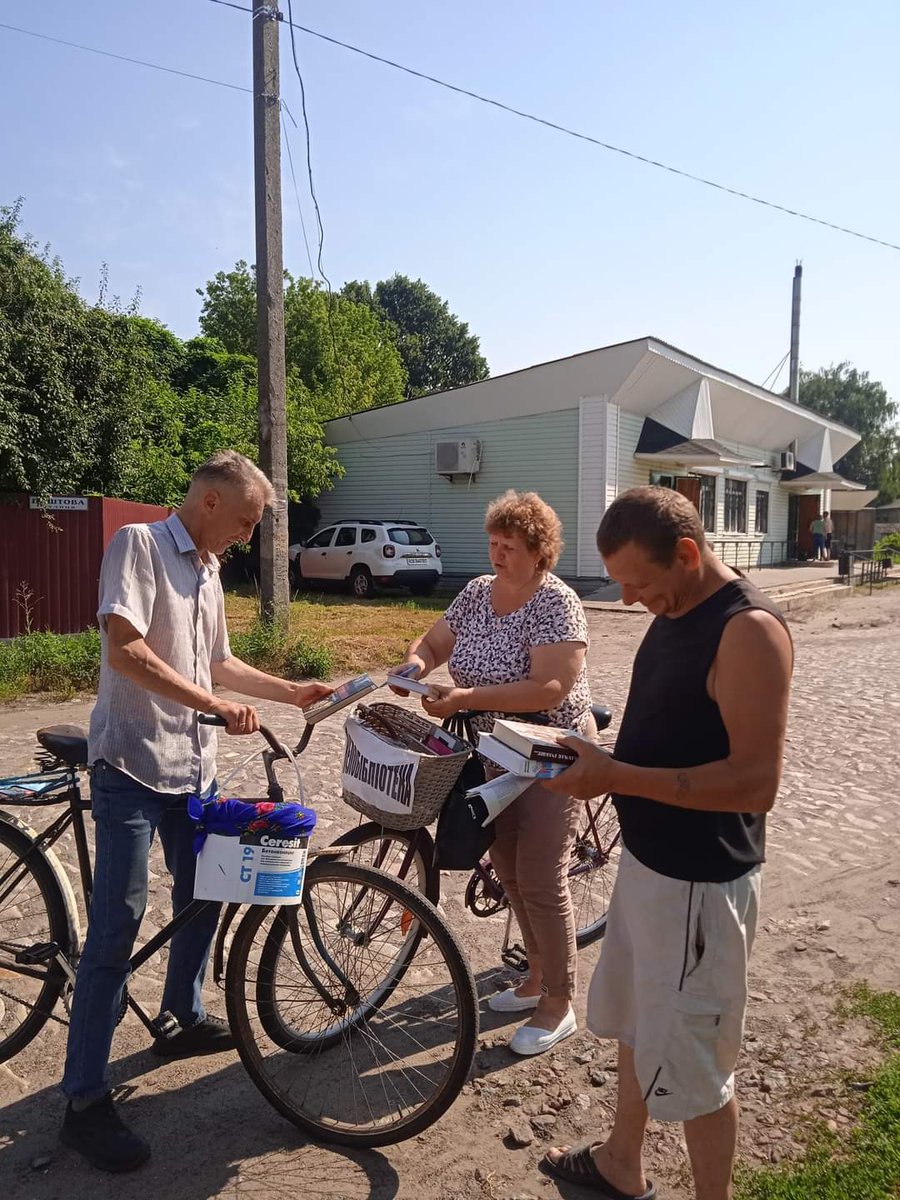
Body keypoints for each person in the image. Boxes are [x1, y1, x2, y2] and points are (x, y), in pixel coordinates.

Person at [59, 451, 332, 1173]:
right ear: (210, 501)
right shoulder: (140, 546)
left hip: (192, 771)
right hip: (131, 764)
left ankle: (180, 1016)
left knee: (206, 892)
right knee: (117, 926)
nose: (248, 535)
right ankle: (82, 1102)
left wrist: (289, 691)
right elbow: (126, 651)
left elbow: (218, 663)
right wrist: (214, 705)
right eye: (245, 520)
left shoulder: (209, 570)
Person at [541, 487, 793, 1200]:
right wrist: (597, 759)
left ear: (686, 554)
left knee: (698, 1072)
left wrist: (617, 776)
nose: (627, 599)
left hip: (700, 889)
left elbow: (754, 784)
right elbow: (672, 731)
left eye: (638, 583)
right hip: (650, 869)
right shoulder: (675, 605)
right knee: (638, 1027)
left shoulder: (748, 631)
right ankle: (622, 1162)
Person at [396, 490, 593, 1057]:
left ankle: (560, 1002)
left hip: (551, 749)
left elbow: (548, 688)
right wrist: (415, 663)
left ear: (539, 552)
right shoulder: (479, 591)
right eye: (494, 543)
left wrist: (465, 698)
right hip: (494, 749)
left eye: (510, 547)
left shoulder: (556, 602)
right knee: (507, 866)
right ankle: (535, 978)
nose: (497, 555)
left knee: (541, 875)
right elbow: (436, 641)